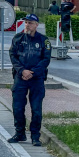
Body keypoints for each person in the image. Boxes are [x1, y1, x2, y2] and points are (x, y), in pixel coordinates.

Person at [8, 14, 51, 146]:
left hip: (36, 78)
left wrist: (33, 72)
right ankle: (19, 133)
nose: (27, 25)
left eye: (30, 23)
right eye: (26, 22)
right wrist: (22, 70)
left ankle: (35, 136)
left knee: (36, 109)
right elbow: (13, 56)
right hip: (20, 77)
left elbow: (46, 59)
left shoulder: (44, 40)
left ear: (36, 25)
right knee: (18, 107)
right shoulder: (18, 38)